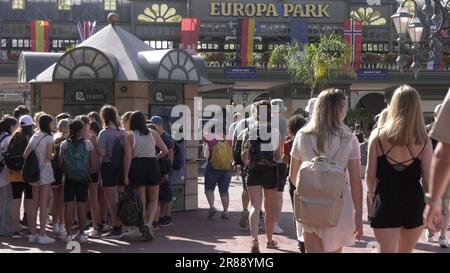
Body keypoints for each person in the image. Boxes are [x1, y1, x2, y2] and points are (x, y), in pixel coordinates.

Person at [290, 88, 363, 253]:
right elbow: (355, 180)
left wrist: (314, 187)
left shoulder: (302, 135)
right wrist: (358, 214)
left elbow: (293, 176)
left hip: (310, 204)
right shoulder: (349, 138)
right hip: (338, 204)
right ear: (340, 109)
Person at [366, 85, 432, 253]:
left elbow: (370, 175)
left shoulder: (377, 136)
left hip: (385, 200)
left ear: (394, 105)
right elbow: (429, 180)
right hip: (414, 202)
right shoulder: (424, 140)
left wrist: (372, 196)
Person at [241, 100, 283, 253]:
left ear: (256, 113)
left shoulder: (249, 130)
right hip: (270, 172)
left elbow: (244, 154)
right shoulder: (276, 132)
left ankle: (254, 240)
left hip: (254, 171)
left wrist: (248, 166)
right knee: (269, 207)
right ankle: (270, 241)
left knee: (254, 206)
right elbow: (279, 155)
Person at [123, 111, 168, 240]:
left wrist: (125, 175)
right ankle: (149, 224)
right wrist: (155, 157)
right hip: (152, 165)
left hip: (137, 166)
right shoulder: (153, 133)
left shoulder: (130, 136)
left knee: (141, 200)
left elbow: (128, 157)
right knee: (154, 200)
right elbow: (165, 150)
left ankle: (142, 226)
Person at [60, 119, 96, 244]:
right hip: (83, 178)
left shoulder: (64, 144)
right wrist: (86, 171)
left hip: (69, 178)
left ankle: (68, 234)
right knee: (82, 204)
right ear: (81, 130)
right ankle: (81, 234)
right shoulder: (88, 144)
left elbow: (61, 163)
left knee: (69, 205)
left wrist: (68, 171)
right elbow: (94, 164)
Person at [24, 114, 57, 244]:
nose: (53, 125)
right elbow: (49, 156)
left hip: (33, 173)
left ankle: (32, 233)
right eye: (52, 123)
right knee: (43, 203)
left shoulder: (34, 136)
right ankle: (42, 234)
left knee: (33, 203)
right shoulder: (49, 137)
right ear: (47, 124)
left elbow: (25, 154)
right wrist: (54, 154)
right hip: (45, 172)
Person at [97, 105, 126, 238]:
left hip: (108, 167)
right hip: (121, 167)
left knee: (111, 199)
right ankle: (122, 224)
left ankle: (116, 227)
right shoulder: (123, 132)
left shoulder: (104, 133)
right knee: (120, 198)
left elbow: (101, 153)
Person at [426, 88, 450, 243]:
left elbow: (444, 154)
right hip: (431, 173)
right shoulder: (426, 132)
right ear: (435, 115)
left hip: (444, 171)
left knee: (446, 205)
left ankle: (442, 235)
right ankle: (430, 232)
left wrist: (433, 202)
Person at [232, 103, 260, 229]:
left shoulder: (240, 124)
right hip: (260, 162)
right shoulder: (265, 124)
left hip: (245, 161)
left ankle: (245, 209)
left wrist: (235, 161)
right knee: (259, 191)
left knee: (246, 188)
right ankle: (257, 215)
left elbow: (234, 142)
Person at [5, 115, 34, 239]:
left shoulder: (14, 136)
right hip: (27, 173)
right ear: (31, 126)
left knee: (16, 201)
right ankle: (30, 229)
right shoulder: (31, 137)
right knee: (29, 200)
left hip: (14, 173)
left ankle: (16, 230)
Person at [282, 114, 307, 253]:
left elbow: (285, 160)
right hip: (309, 177)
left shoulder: (288, 143)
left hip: (294, 179)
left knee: (296, 210)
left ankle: (300, 240)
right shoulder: (308, 139)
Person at [202, 112, 233, 220]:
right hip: (227, 168)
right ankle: (225, 212)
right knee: (224, 191)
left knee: (209, 189)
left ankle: (212, 207)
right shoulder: (230, 138)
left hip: (212, 167)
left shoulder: (209, 137)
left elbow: (203, 134)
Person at [77, 116, 101, 238]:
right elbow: (99, 154)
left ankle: (89, 226)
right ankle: (94, 227)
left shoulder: (77, 137)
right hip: (93, 171)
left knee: (82, 199)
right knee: (93, 198)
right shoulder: (93, 137)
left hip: (80, 171)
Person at [148, 116, 175, 227]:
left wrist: (167, 172)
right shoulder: (157, 136)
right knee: (161, 195)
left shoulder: (166, 138)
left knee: (167, 194)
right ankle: (161, 216)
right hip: (159, 169)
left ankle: (167, 217)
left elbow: (170, 156)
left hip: (164, 170)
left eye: (153, 124)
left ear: (158, 125)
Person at [270, 99, 289, 235]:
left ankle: (264, 220)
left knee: (265, 194)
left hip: (263, 161)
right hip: (279, 162)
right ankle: (275, 223)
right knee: (278, 195)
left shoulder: (261, 121)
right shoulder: (285, 123)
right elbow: (284, 144)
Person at [51, 118, 70, 239]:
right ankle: (62, 224)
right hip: (63, 171)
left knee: (55, 200)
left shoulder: (54, 138)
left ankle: (54, 224)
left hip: (54, 172)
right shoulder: (67, 140)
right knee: (63, 201)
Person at [0, 116, 18, 236]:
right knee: (8, 200)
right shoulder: (9, 139)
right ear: (11, 126)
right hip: (5, 172)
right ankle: (6, 228)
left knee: (2, 200)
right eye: (16, 126)